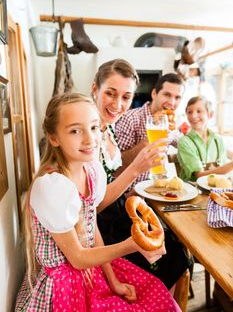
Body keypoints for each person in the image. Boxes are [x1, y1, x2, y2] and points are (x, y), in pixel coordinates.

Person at [15, 92, 180, 312]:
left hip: (92, 272)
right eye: (75, 130)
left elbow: (92, 230)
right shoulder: (52, 187)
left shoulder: (91, 169)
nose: (89, 139)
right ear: (54, 138)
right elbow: (78, 259)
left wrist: (114, 282)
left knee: (157, 294)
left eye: (93, 128)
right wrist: (131, 245)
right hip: (62, 288)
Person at [92, 61, 192, 291]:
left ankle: (160, 297)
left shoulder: (109, 128)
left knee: (177, 249)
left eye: (126, 96)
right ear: (95, 89)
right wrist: (143, 152)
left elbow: (180, 150)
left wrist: (191, 131)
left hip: (137, 202)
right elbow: (94, 202)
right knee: (173, 254)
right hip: (111, 216)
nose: (118, 104)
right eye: (110, 93)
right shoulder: (97, 132)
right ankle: (152, 296)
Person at [115, 72, 185, 192]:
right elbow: (116, 166)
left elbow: (184, 146)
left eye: (177, 97)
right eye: (167, 95)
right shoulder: (130, 119)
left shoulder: (170, 123)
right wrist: (148, 143)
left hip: (157, 189)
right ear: (154, 94)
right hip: (128, 193)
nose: (172, 102)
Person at [177, 95, 233, 182]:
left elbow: (223, 172)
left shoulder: (218, 140)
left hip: (216, 191)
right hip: (193, 192)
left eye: (199, 111)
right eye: (189, 112)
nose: (193, 116)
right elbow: (199, 176)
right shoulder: (185, 142)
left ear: (210, 114)